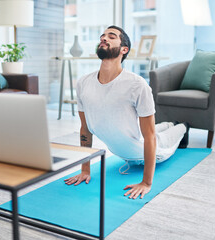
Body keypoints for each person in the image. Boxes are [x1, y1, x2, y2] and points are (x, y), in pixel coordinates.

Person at [64, 25, 189, 200]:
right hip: (128, 142)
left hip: (142, 150)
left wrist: (146, 183)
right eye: (102, 36)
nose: (103, 38)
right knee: (158, 129)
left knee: (167, 138)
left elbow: (150, 136)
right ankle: (169, 124)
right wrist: (85, 170)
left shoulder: (137, 85)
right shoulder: (84, 83)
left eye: (111, 36)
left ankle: (183, 126)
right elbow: (85, 129)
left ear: (124, 49)